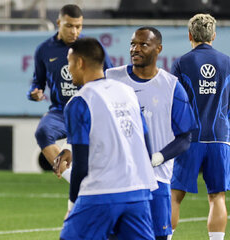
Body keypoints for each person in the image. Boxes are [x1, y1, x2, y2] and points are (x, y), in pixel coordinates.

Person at [59, 37, 158, 240]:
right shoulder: (128, 93)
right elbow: (146, 145)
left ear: (80, 63)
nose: (68, 70)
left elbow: (81, 164)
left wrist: (72, 204)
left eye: (69, 63)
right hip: (137, 192)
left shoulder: (79, 102)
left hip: (101, 193)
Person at [105, 27, 197, 240]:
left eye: (143, 44)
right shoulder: (112, 78)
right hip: (118, 179)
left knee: (158, 237)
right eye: (132, 44)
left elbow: (185, 137)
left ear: (159, 49)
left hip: (156, 181)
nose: (135, 49)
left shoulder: (172, 87)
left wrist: (158, 157)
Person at [27, 4, 113, 181]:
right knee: (43, 131)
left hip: (89, 110)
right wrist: (34, 93)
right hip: (61, 111)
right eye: (69, 26)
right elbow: (37, 81)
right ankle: (75, 181)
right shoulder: (44, 50)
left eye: (78, 26)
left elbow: (110, 77)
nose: (74, 31)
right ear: (59, 22)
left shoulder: (91, 47)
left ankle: (90, 179)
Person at [170, 14, 230, 240]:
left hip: (189, 139)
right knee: (218, 196)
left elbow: (174, 103)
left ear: (189, 35)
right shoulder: (227, 62)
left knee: (174, 196)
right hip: (220, 139)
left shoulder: (181, 63)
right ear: (214, 35)